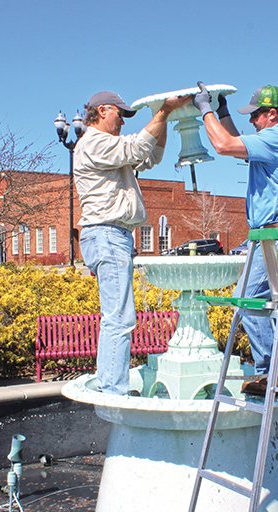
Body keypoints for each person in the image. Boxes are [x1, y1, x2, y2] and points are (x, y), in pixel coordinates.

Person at [74, 90, 189, 395]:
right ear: (101, 111)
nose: (123, 120)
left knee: (117, 316)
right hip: (106, 233)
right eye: (119, 114)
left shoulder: (111, 148)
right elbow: (138, 147)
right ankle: (113, 388)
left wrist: (163, 119)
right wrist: (162, 112)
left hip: (114, 235)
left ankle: (109, 382)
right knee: (120, 318)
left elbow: (150, 156)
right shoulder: (94, 142)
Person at [192, 83, 278, 378]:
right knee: (261, 305)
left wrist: (205, 110)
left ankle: (272, 373)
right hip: (271, 236)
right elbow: (237, 143)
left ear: (272, 115)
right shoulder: (272, 141)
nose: (252, 121)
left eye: (256, 116)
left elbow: (224, 145)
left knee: (247, 300)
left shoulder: (277, 138)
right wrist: (222, 110)